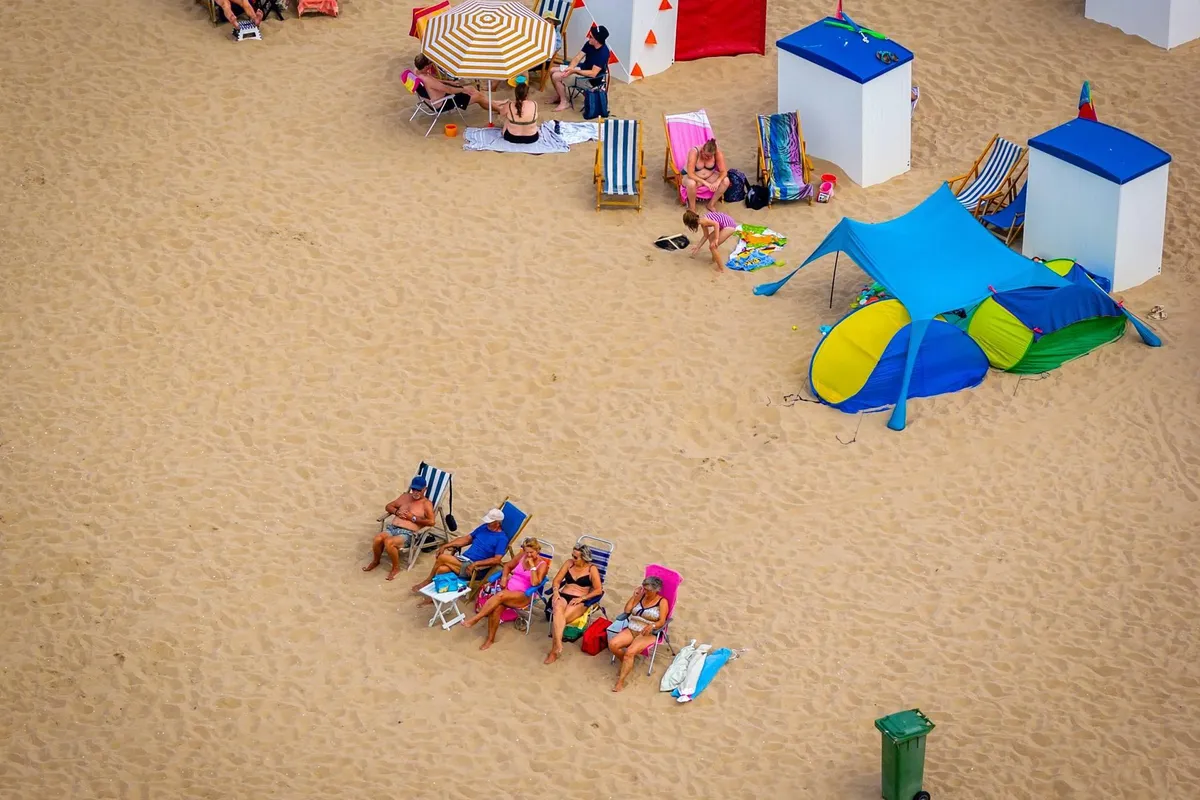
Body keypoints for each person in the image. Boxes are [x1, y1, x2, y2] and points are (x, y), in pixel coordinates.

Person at [462, 538, 550, 650]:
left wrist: (532, 566)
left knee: (500, 595)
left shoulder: (542, 565)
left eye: (531, 552)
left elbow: (535, 583)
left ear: (538, 551)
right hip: (508, 591)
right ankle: (490, 639)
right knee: (496, 609)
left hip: (524, 595)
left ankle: (476, 618)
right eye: (526, 552)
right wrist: (504, 578)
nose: (528, 555)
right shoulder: (522, 556)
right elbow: (507, 566)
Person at [410, 508, 510, 596]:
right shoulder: (484, 527)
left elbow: (497, 560)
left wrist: (475, 564)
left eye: (490, 522)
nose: (487, 523)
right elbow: (467, 539)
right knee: (442, 569)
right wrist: (446, 545)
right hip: (463, 560)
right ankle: (434, 598)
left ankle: (428, 581)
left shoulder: (501, 539)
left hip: (475, 568)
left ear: (498, 523)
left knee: (442, 558)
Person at [362, 476, 436, 581]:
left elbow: (432, 522)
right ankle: (376, 561)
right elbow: (388, 506)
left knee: (389, 542)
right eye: (414, 489)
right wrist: (396, 512)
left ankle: (395, 568)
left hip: (407, 533)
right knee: (377, 539)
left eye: (419, 490)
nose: (415, 492)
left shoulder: (426, 504)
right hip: (392, 528)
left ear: (425, 489)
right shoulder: (405, 497)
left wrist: (413, 518)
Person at [607, 576, 669, 692]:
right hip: (631, 629)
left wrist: (652, 626)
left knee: (629, 653)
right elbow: (627, 611)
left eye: (648, 590)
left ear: (656, 590)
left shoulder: (662, 602)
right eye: (644, 588)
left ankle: (620, 682)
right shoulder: (641, 596)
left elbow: (662, 621)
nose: (645, 592)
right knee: (613, 645)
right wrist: (634, 596)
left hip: (647, 633)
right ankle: (625, 662)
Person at [544, 544, 603, 664]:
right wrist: (556, 592)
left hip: (579, 599)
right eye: (572, 555)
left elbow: (598, 590)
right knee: (557, 607)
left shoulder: (592, 569)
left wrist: (582, 598)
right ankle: (558, 643)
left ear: (584, 558)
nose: (573, 558)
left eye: (576, 557)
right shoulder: (569, 563)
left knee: (560, 618)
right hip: (563, 595)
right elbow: (557, 580)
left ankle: (554, 651)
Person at [547, 26, 610, 113]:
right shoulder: (589, 44)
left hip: (591, 79)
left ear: (597, 41)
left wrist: (574, 71)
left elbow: (593, 73)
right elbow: (578, 57)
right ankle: (560, 95)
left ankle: (564, 102)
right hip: (582, 69)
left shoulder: (603, 53)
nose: (589, 37)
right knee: (552, 70)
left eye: (591, 36)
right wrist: (570, 68)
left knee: (556, 76)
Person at [411, 54, 489, 113]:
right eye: (431, 63)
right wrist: (463, 89)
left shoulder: (416, 71)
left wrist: (450, 82)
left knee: (471, 89)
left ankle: (492, 104)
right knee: (478, 97)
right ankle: (494, 107)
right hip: (443, 103)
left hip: (430, 100)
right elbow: (449, 90)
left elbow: (435, 82)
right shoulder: (427, 79)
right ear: (426, 67)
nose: (432, 64)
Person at [683, 138, 729, 212]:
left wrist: (717, 182)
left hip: (710, 176)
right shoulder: (694, 152)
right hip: (694, 177)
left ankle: (711, 204)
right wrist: (705, 183)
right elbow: (690, 174)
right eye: (706, 155)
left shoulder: (717, 153)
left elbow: (723, 171)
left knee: (726, 181)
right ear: (702, 150)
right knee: (691, 183)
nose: (708, 158)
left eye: (710, 156)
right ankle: (692, 208)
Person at [492, 76, 540, 145]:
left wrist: (504, 103)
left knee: (508, 118)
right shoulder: (534, 104)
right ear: (527, 94)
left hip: (512, 137)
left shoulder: (509, 105)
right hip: (532, 138)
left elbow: (501, 113)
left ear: (516, 94)